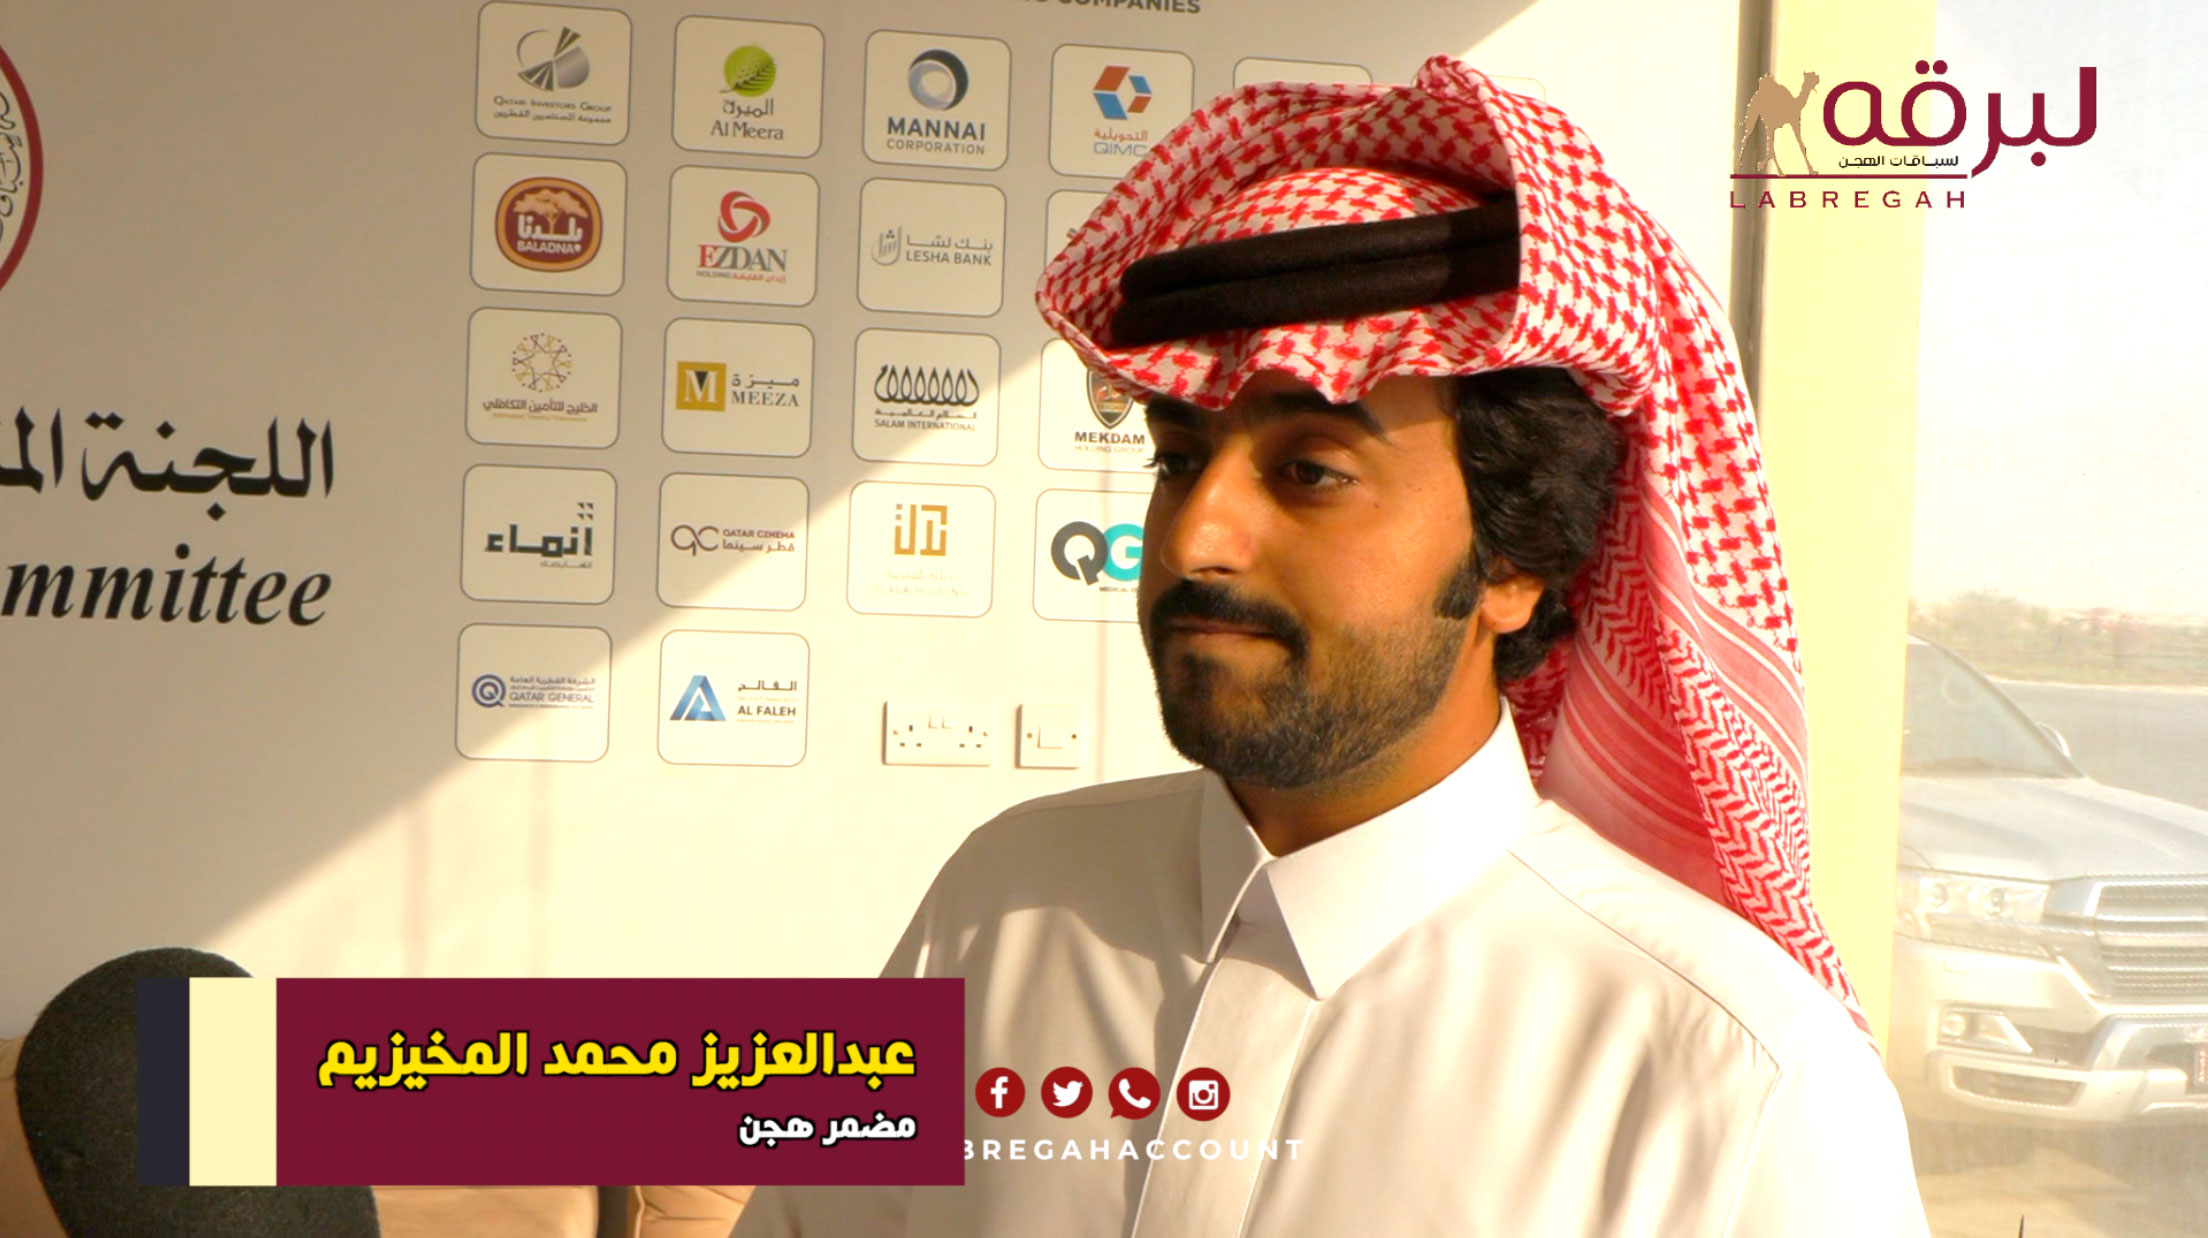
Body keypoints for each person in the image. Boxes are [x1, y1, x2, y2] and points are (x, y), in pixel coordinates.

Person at [736, 55, 1927, 1237]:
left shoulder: (1741, 1082)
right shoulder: (1004, 897)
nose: (1193, 537)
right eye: (1178, 459)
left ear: (1515, 561)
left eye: (1310, 470)